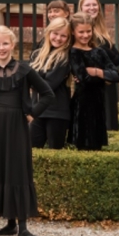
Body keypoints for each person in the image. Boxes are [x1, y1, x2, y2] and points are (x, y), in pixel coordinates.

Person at [0, 25, 53, 236]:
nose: (1, 48)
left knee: (17, 171)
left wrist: (32, 114)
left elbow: (47, 94)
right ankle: (9, 223)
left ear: (13, 45)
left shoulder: (25, 70)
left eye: (5, 43)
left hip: (17, 126)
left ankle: (23, 226)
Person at [67, 13, 119, 152]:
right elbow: (84, 79)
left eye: (88, 31)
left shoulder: (99, 52)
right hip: (82, 105)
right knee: (83, 146)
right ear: (73, 31)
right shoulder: (73, 52)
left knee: (97, 147)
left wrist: (97, 72)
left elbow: (116, 76)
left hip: (99, 104)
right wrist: (104, 77)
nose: (85, 35)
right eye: (81, 32)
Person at [78, 0, 119, 130]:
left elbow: (118, 59)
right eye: (87, 5)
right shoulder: (79, 29)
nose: (92, 8)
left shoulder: (101, 31)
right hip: (91, 82)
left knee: (108, 122)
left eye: (94, 4)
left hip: (106, 80)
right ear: (81, 7)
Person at [29, 18, 73, 150]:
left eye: (63, 35)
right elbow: (26, 77)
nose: (58, 38)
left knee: (55, 152)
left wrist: (31, 82)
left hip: (57, 112)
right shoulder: (37, 54)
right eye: (55, 33)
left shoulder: (65, 58)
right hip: (37, 111)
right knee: (31, 150)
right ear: (48, 33)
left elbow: (49, 85)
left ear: (68, 38)